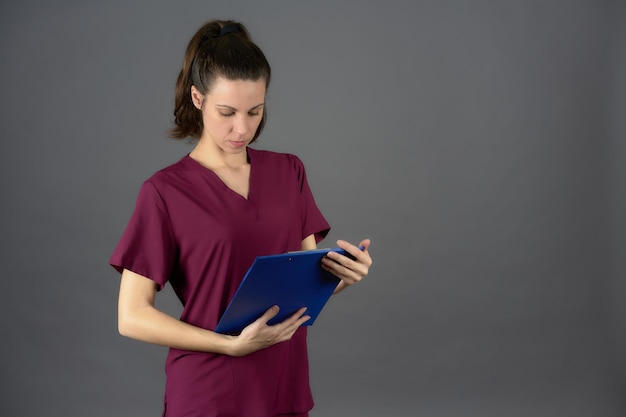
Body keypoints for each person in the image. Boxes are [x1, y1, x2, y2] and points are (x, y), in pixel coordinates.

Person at [110, 19, 372, 417]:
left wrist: (342, 274)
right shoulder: (165, 191)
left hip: (282, 382)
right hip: (209, 389)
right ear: (197, 99)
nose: (243, 128)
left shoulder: (289, 172)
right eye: (227, 112)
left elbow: (300, 285)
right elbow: (131, 316)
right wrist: (229, 345)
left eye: (255, 111)